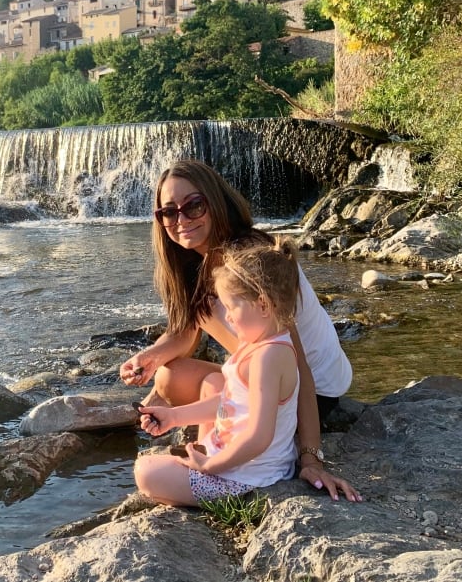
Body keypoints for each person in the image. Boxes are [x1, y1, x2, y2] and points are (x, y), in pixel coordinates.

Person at [121, 159, 359, 501]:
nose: (182, 220)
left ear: (216, 202)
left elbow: (298, 364)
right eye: (169, 213)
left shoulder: (251, 261)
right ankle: (208, 450)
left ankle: (215, 471)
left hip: (310, 389)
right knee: (169, 377)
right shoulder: (192, 264)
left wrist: (311, 457)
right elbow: (187, 330)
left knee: (173, 402)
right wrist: (151, 356)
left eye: (194, 206)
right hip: (262, 377)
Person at [134, 238, 305, 505]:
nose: (227, 318)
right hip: (237, 465)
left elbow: (259, 437)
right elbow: (231, 403)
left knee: (146, 472)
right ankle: (202, 462)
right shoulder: (257, 345)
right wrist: (173, 416)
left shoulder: (270, 357)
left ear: (262, 304)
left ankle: (216, 493)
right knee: (151, 464)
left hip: (248, 478)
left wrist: (210, 466)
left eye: (231, 307)